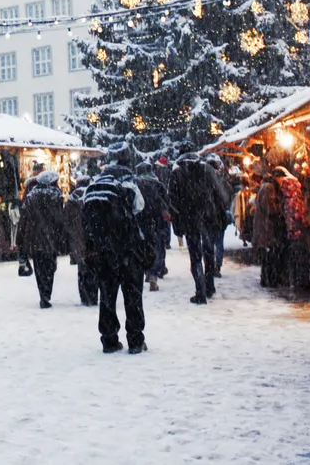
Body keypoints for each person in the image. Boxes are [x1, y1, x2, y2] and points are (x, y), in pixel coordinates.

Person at [82, 143, 150, 354]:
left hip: (103, 251)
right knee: (132, 295)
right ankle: (136, 340)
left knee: (107, 296)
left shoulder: (95, 183)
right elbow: (140, 208)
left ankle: (109, 339)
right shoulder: (128, 182)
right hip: (127, 248)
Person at [169, 154, 219, 304]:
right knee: (209, 252)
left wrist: (178, 221)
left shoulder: (177, 174)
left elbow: (173, 200)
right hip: (207, 218)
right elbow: (218, 193)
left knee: (195, 257)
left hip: (190, 220)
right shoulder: (206, 171)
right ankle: (209, 285)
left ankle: (200, 291)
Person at [18, 170, 67, 308]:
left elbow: (24, 218)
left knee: (39, 266)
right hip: (51, 237)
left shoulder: (31, 196)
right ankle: (47, 292)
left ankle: (43, 294)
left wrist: (21, 239)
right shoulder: (55, 195)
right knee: (50, 266)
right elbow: (59, 219)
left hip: (34, 237)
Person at [272, 167, 310, 291]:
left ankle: (299, 281)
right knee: (301, 256)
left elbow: (293, 215)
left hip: (295, 231)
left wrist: (291, 228)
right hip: (299, 230)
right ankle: (301, 280)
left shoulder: (289, 196)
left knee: (296, 256)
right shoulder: (295, 193)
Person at [133, 162, 170, 291]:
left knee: (141, 247)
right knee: (156, 248)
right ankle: (153, 275)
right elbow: (165, 202)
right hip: (156, 221)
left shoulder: (135, 184)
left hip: (140, 221)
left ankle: (145, 272)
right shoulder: (158, 184)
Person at [64, 177, 97, 306]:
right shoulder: (93, 196)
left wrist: (71, 233)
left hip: (77, 238)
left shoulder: (71, 200)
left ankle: (84, 295)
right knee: (93, 267)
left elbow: (66, 220)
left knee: (82, 268)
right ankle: (93, 295)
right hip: (92, 237)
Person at [252, 172, 287, 288]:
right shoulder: (269, 187)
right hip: (266, 228)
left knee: (269, 255)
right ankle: (269, 279)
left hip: (265, 227)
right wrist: (281, 208)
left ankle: (268, 278)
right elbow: (269, 207)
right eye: (282, 178)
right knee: (269, 255)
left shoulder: (267, 186)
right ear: (277, 177)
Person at [204, 154, 235, 279]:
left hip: (207, 216)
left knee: (209, 242)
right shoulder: (221, 180)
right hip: (219, 215)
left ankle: (209, 266)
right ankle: (217, 266)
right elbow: (228, 194)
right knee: (218, 242)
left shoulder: (203, 180)